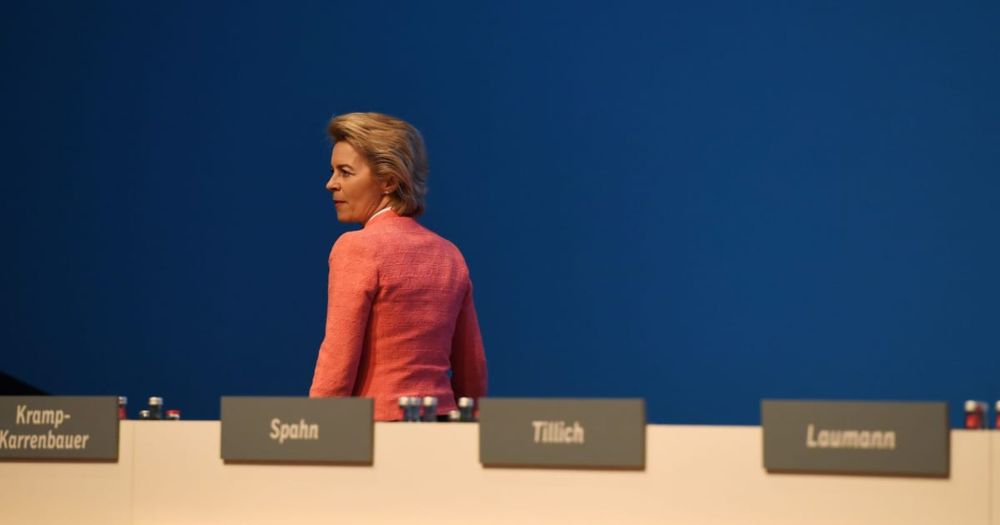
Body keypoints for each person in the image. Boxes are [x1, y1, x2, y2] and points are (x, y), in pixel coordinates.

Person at [309, 112, 487, 421]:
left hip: (377, 430)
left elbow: (337, 360)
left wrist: (316, 428)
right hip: (442, 426)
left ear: (389, 181)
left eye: (345, 172)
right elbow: (471, 367)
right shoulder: (450, 254)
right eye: (332, 171)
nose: (330, 184)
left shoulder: (356, 248)